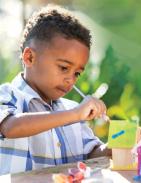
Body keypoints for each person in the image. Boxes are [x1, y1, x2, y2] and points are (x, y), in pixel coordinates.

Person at [0, 4, 111, 175]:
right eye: (64, 68)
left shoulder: (71, 109)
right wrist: (74, 115)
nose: (71, 79)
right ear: (30, 57)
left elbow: (92, 154)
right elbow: (10, 127)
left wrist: (119, 146)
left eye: (77, 73)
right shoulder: (7, 95)